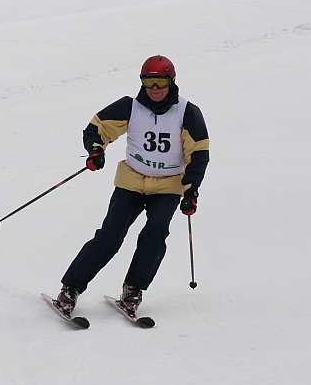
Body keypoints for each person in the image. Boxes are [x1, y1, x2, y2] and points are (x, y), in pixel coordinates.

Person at [52, 55, 210, 318]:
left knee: (155, 234)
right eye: (149, 82)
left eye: (160, 82)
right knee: (110, 236)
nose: (155, 89)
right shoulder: (131, 107)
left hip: (168, 186)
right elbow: (97, 127)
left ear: (171, 82)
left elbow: (199, 153)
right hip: (131, 181)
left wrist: (191, 189)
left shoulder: (187, 112)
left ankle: (133, 290)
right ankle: (70, 289)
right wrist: (95, 150)